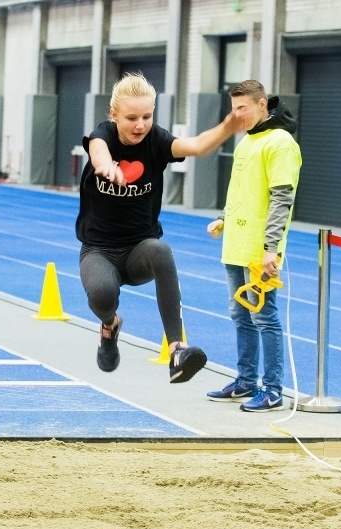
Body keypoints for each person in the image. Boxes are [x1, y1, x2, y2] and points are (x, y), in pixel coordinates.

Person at [76, 72, 250, 383]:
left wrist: (227, 128)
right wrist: (104, 165)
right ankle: (109, 325)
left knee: (160, 249)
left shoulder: (156, 141)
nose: (140, 125)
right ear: (114, 115)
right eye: (131, 118)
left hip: (139, 250)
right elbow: (98, 149)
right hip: (99, 250)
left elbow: (195, 146)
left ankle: (177, 350)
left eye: (147, 116)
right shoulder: (104, 135)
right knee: (102, 293)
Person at [205, 80, 301, 412]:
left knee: (264, 317)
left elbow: (281, 199)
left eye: (242, 108)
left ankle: (273, 389)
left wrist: (271, 248)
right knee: (240, 315)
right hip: (235, 243)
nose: (237, 115)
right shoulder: (248, 142)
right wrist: (223, 218)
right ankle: (246, 381)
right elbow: (241, 191)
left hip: (260, 250)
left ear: (262, 105)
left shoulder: (281, 143)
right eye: (233, 109)